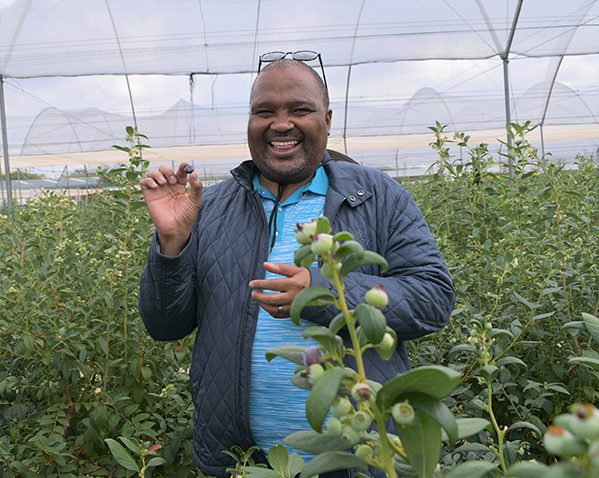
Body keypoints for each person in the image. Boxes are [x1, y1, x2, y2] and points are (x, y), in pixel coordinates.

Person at [138, 54, 455, 477]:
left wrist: (324, 293)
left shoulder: (380, 198)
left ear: (327, 118)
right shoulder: (208, 208)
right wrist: (171, 246)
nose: (280, 124)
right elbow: (164, 326)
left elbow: (433, 297)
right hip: (240, 463)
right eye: (264, 111)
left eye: (299, 110)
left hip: (359, 458)